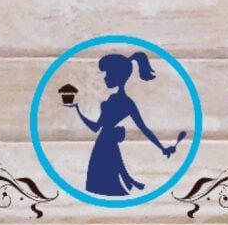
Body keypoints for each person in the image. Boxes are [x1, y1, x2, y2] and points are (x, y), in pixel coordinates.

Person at [69, 51, 177, 197]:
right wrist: (77, 110)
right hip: (103, 144)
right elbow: (95, 127)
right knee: (103, 184)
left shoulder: (126, 103)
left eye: (107, 74)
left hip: (105, 144)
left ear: (117, 76)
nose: (105, 78)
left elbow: (143, 128)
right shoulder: (114, 100)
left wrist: (161, 147)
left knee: (105, 185)